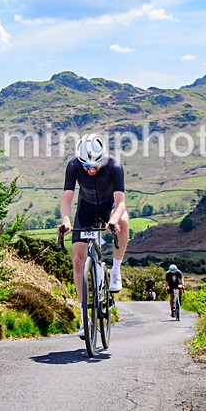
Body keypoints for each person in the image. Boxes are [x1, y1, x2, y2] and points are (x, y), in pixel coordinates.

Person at [59, 133, 130, 339]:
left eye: (95, 165)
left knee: (124, 221)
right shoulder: (73, 166)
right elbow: (67, 198)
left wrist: (114, 219)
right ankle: (84, 318)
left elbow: (121, 202)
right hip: (86, 209)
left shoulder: (114, 166)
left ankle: (115, 272)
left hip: (109, 207)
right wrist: (65, 220)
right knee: (78, 260)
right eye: (86, 166)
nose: (90, 170)